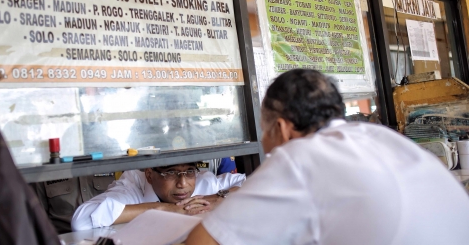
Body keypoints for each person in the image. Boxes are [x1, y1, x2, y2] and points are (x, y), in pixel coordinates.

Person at [187, 69, 469, 245]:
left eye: (264, 130)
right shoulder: (379, 137)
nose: (264, 142)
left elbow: (203, 242)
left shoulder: (299, 156)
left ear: (283, 128)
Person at [71, 163, 245, 231]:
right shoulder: (132, 186)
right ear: (149, 174)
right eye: (171, 173)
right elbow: (83, 220)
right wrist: (162, 208)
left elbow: (254, 181)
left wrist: (220, 197)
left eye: (189, 172)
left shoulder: (204, 182)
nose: (183, 183)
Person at [32, 174, 115, 234]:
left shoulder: (108, 160)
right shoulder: (46, 169)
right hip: (65, 236)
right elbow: (39, 221)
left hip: (107, 235)